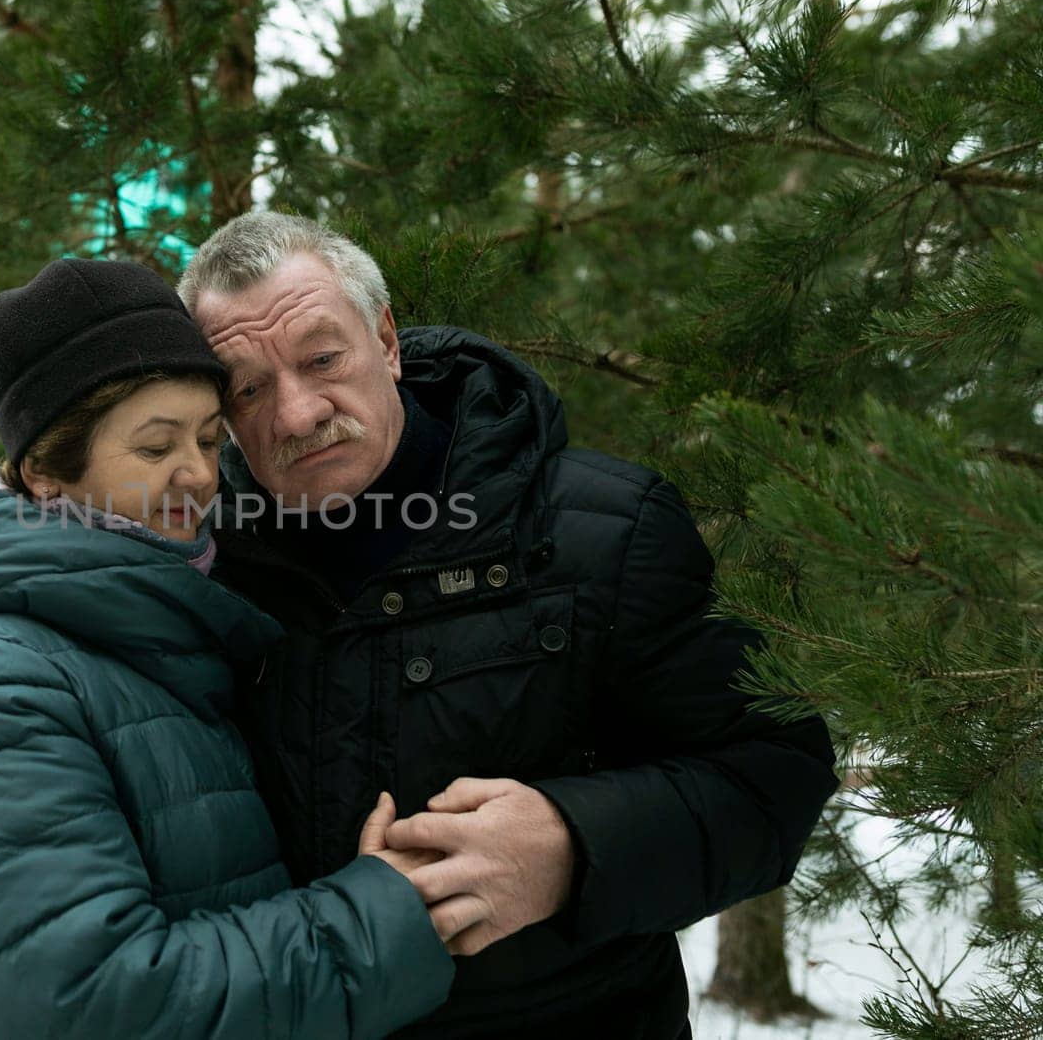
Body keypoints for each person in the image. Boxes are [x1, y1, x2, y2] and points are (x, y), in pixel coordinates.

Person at [177, 212, 840, 1040]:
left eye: (321, 357)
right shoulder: (201, 577)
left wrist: (572, 846)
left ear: (385, 339)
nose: (299, 412)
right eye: (248, 387)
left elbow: (775, 772)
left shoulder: (604, 532)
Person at [0, 258, 457, 1039]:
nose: (198, 474)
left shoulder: (144, 633)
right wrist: (380, 916)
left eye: (205, 437)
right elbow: (96, 1005)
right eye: (156, 447)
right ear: (46, 474)